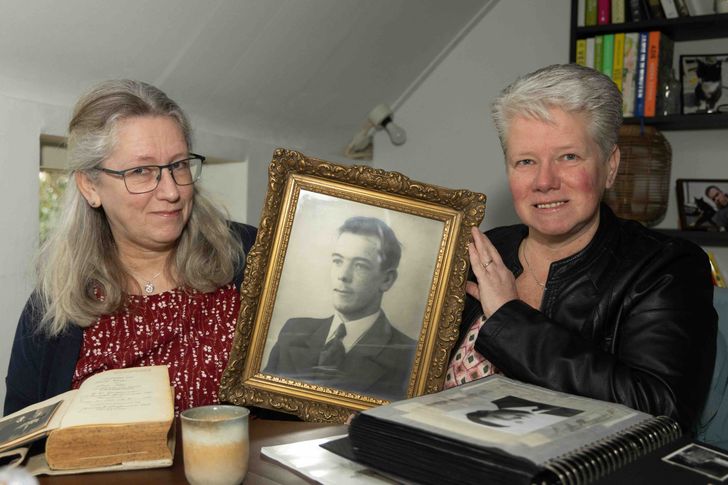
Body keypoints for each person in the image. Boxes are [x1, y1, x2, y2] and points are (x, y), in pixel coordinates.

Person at [445, 64, 717, 432]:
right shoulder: (481, 250)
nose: (544, 181)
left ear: (610, 166)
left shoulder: (666, 268)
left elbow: (663, 411)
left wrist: (510, 318)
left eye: (568, 157)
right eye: (526, 161)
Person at [4, 80, 257, 416]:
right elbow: (19, 438)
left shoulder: (252, 256)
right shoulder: (53, 304)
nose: (171, 191)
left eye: (178, 165)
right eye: (141, 171)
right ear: (90, 186)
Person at [264, 216, 416, 401]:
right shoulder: (294, 331)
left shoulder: (409, 356)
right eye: (338, 261)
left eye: (360, 266)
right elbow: (262, 400)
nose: (343, 275)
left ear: (387, 279)